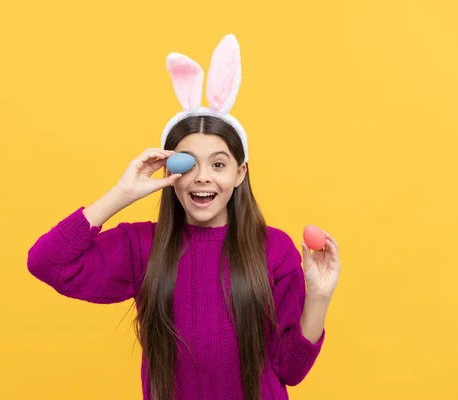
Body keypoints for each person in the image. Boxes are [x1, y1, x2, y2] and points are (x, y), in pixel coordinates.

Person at [27, 33, 341, 400]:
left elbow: (290, 369)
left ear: (239, 174)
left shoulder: (273, 249)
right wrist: (121, 194)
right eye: (187, 163)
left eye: (219, 164)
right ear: (168, 170)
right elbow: (47, 262)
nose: (203, 176)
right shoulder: (142, 246)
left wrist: (319, 296)